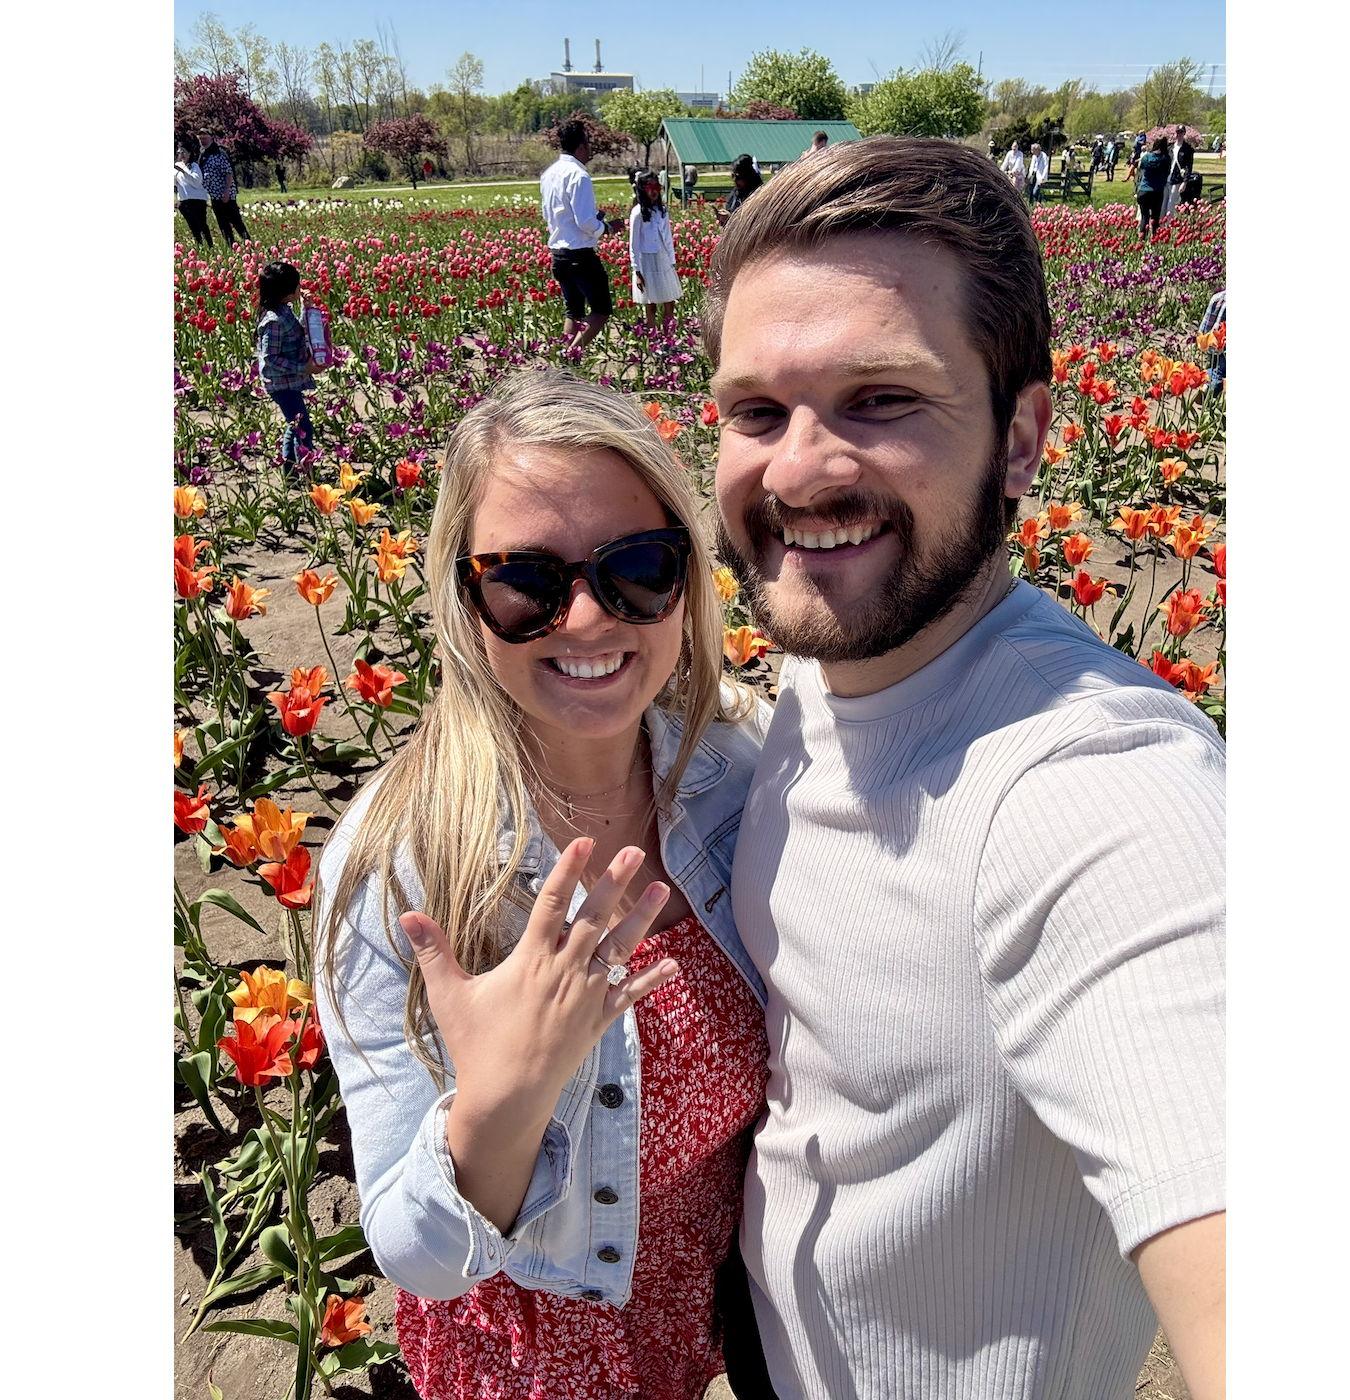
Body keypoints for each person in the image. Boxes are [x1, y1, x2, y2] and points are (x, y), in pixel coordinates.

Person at [704, 135, 1225, 1400]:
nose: (798, 468)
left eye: (882, 398)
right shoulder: (833, 661)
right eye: (756, 410)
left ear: (1023, 436)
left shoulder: (1097, 788)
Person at [314, 368, 777, 1400]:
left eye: (639, 567)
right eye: (525, 579)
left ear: (689, 579)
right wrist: (503, 1100)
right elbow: (412, 1247)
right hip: (532, 1357)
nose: (583, 618)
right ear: (461, 596)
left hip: (711, 1295)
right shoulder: (402, 864)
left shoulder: (737, 767)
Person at [540, 119, 627, 354]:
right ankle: (571, 355)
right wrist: (607, 227)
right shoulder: (579, 175)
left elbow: (551, 214)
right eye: (588, 144)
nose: (590, 150)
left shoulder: (549, 174)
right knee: (601, 310)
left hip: (558, 254)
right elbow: (585, 222)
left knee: (574, 311)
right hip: (580, 254)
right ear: (580, 147)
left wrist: (594, 220)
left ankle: (563, 359)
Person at [254, 261, 324, 469]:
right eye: (297, 285)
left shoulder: (284, 310)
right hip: (281, 384)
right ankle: (304, 469)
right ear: (287, 292)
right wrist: (304, 368)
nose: (300, 288)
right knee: (303, 427)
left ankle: (290, 469)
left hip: (288, 381)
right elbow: (270, 358)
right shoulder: (273, 321)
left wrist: (306, 309)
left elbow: (296, 331)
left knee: (294, 425)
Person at [629, 171, 682, 330]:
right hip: (646, 260)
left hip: (663, 258)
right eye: (649, 187)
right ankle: (653, 336)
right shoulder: (638, 213)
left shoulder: (662, 211)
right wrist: (636, 270)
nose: (653, 191)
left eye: (656, 186)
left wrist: (672, 261)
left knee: (669, 298)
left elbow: (667, 237)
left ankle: (669, 335)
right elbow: (634, 243)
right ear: (642, 189)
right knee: (650, 302)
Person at [196, 129, 250, 245]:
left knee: (236, 221)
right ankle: (231, 246)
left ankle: (248, 243)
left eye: (205, 138)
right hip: (214, 196)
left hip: (226, 194)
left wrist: (226, 191)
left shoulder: (219, 153)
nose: (203, 141)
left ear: (211, 138)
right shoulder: (203, 154)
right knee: (223, 224)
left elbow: (228, 173)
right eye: (200, 139)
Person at [174, 142, 212, 248]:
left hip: (197, 200)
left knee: (202, 224)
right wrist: (177, 171)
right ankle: (199, 245)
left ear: (189, 154)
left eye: (184, 152)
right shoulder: (176, 166)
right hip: (184, 201)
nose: (182, 154)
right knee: (192, 226)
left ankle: (210, 245)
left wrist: (184, 172)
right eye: (180, 152)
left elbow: (196, 182)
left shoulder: (194, 166)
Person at [1136, 134, 1172, 239]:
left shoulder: (1146, 157)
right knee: (1155, 218)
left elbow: (1141, 169)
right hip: (1157, 191)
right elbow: (1167, 173)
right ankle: (1154, 238)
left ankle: (1142, 238)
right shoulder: (1165, 159)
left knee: (1144, 217)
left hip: (1144, 190)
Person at [717, 155, 763, 226]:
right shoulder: (735, 193)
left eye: (738, 177)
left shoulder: (758, 195)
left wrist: (730, 218)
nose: (734, 180)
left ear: (748, 177)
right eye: (733, 176)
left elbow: (755, 222)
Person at [1162, 124, 1195, 220]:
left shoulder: (1187, 149)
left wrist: (1184, 182)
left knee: (1171, 204)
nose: (1179, 134)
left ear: (1184, 134)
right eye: (1177, 132)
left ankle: (1167, 225)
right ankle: (1160, 225)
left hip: (1177, 179)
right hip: (1166, 178)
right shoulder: (1170, 147)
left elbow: (1189, 167)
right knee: (1163, 204)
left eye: (1181, 132)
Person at [1199, 287, 1226, 395]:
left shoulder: (1218, 298)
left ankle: (1206, 382)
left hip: (1214, 348)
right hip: (1223, 351)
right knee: (1220, 371)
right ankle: (1212, 384)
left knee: (1216, 368)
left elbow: (1203, 330)